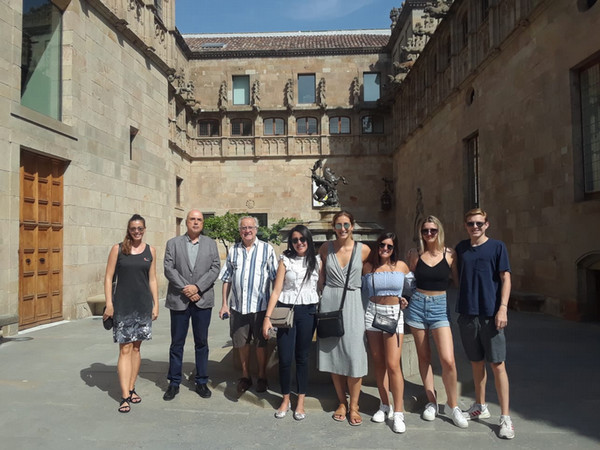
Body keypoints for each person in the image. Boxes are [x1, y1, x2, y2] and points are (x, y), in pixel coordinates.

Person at [455, 208, 514, 439]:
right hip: (468, 315)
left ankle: (506, 417)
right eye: (471, 223)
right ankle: (480, 405)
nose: (475, 227)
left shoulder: (497, 247)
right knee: (476, 363)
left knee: (497, 364)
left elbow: (505, 278)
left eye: (479, 223)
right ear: (466, 225)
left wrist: (503, 308)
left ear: (487, 224)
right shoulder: (461, 248)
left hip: (491, 315)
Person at [405, 216, 468, 429]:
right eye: (425, 230)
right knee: (424, 357)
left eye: (432, 230)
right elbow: (409, 282)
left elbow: (459, 283)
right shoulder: (414, 255)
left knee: (448, 360)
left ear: (439, 231)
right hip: (417, 306)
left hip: (440, 307)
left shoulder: (450, 255)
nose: (429, 234)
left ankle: (452, 405)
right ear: (421, 233)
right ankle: (431, 401)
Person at [317, 210, 371, 426]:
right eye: (338, 225)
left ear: (353, 226)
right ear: (333, 226)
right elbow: (320, 277)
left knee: (354, 352)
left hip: (353, 303)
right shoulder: (325, 248)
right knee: (333, 353)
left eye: (346, 224)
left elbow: (372, 276)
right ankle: (341, 401)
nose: (342, 229)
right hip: (330, 301)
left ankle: (355, 405)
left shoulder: (364, 250)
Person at [262, 225, 320, 420]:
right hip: (286, 311)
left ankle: (301, 400)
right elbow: (276, 291)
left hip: (308, 311)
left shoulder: (317, 261)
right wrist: (267, 318)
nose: (299, 243)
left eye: (302, 239)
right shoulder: (285, 260)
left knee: (302, 357)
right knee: (285, 358)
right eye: (295, 240)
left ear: (308, 240)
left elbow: (322, 287)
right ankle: (285, 398)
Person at [103, 214, 159, 413]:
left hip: (142, 306)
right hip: (123, 306)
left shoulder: (150, 251)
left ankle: (132, 387)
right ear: (129, 229)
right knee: (124, 349)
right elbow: (109, 278)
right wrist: (109, 303)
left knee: (136, 348)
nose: (137, 231)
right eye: (133, 228)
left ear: (144, 229)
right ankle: (124, 395)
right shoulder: (118, 249)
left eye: (140, 228)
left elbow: (152, 279)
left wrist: (156, 304)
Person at [163, 210, 220, 401]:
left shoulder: (211, 244)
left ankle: (201, 381)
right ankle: (174, 382)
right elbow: (168, 269)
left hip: (202, 300)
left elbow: (215, 268)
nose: (196, 222)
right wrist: (185, 289)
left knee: (201, 342)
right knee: (177, 343)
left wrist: (197, 287)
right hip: (179, 300)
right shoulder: (173, 244)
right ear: (186, 223)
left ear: (203, 223)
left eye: (199, 220)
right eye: (192, 219)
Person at [362, 232, 413, 433]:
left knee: (393, 364)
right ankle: (384, 404)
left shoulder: (401, 266)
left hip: (393, 314)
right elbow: (363, 290)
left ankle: (398, 412)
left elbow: (411, 287)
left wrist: (405, 299)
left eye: (389, 246)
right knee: (378, 361)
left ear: (394, 249)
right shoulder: (368, 267)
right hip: (372, 313)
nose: (384, 249)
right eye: (381, 245)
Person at [220, 216, 277, 394]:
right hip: (238, 307)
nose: (247, 231)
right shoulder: (234, 251)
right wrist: (224, 304)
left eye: (250, 227)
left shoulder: (267, 249)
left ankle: (261, 376)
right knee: (241, 343)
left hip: (260, 307)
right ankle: (245, 376)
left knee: (261, 343)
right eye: (244, 228)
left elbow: (276, 278)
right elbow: (227, 278)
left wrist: (273, 308)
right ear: (240, 231)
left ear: (256, 229)